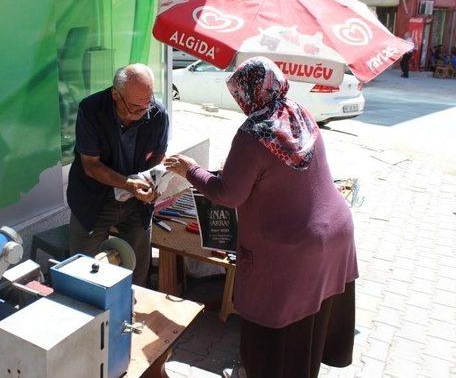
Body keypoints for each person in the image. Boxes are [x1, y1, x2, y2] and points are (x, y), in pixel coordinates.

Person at [165, 57, 358, 378]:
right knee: (311, 316)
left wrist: (190, 170)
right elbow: (274, 174)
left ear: (248, 92)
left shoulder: (254, 132)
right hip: (335, 233)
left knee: (275, 326)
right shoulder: (297, 111)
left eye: (238, 95)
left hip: (293, 247)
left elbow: (228, 195)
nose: (239, 103)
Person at [67, 64, 169, 286]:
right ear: (115, 94)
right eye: (134, 108)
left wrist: (151, 181)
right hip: (94, 199)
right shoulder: (91, 109)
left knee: (137, 268)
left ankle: (132, 308)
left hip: (136, 203)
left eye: (146, 105)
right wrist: (129, 184)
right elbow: (91, 166)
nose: (141, 113)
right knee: (82, 270)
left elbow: (159, 154)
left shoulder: (157, 114)